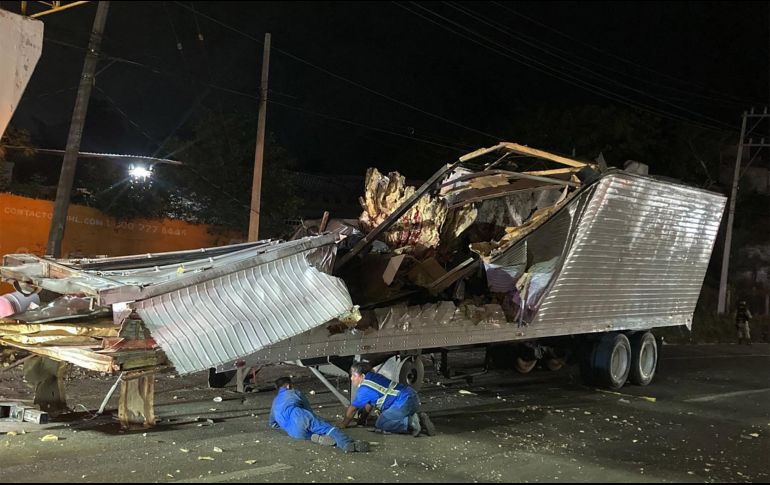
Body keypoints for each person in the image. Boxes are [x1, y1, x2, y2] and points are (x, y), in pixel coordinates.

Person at [269, 376, 369, 453]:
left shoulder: (274, 403)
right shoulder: (294, 392)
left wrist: (287, 425)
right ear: (288, 386)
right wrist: (315, 420)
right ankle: (347, 444)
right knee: (329, 429)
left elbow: (273, 424)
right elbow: (307, 409)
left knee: (309, 431)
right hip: (300, 417)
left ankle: (317, 438)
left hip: (294, 433)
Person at [339, 361, 435, 437]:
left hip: (403, 403)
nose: (351, 378)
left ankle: (414, 423)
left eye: (354, 375)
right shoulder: (374, 377)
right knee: (385, 417)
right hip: (412, 397)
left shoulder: (365, 388)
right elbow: (369, 404)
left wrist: (344, 424)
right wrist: (362, 420)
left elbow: (353, 409)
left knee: (382, 423)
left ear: (363, 376)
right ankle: (413, 417)